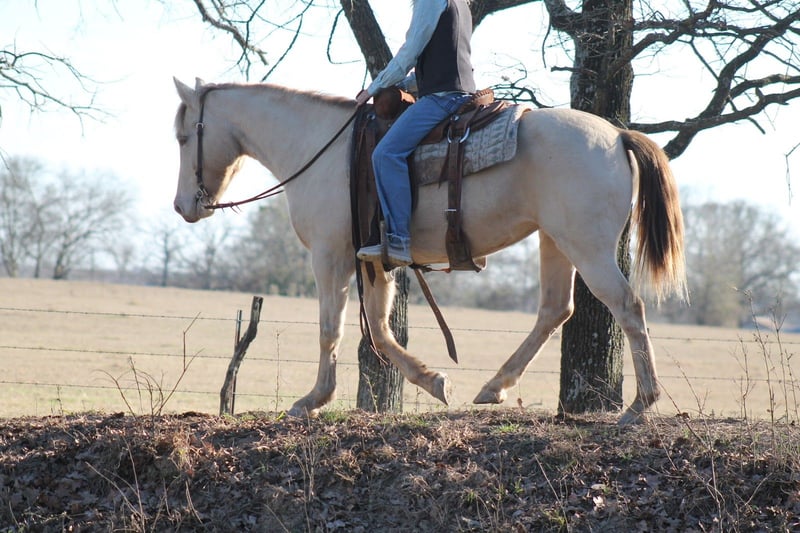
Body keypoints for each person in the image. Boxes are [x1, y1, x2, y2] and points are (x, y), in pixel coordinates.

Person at [355, 0, 476, 267]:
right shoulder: (461, 4)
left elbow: (409, 52)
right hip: (462, 94)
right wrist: (404, 84)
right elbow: (443, 59)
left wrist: (373, 88)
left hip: (442, 99)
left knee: (386, 154)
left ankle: (398, 240)